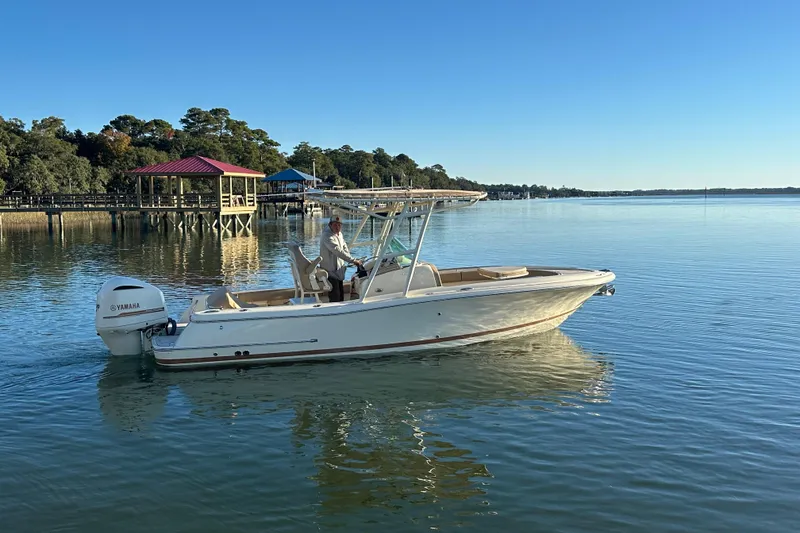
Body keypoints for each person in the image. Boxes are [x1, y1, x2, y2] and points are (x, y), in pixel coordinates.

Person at [320, 215, 362, 302]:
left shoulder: (340, 234)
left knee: (341, 295)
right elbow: (337, 250)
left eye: (339, 225)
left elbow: (344, 247)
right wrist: (353, 260)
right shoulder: (327, 236)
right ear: (330, 225)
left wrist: (352, 259)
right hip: (330, 271)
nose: (337, 227)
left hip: (339, 270)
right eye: (335, 225)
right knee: (335, 295)